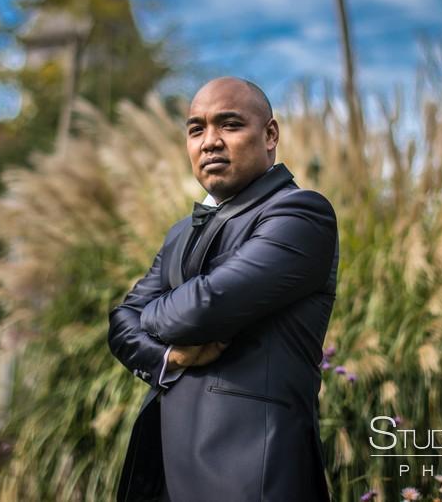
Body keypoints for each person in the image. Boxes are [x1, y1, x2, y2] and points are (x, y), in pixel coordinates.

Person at [107, 76, 339, 501]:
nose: (210, 141)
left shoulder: (301, 214)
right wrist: (168, 357)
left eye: (229, 125)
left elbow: (203, 308)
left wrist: (148, 314)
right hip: (164, 473)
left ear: (270, 135)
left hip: (250, 474)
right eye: (196, 129)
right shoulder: (180, 232)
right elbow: (119, 325)